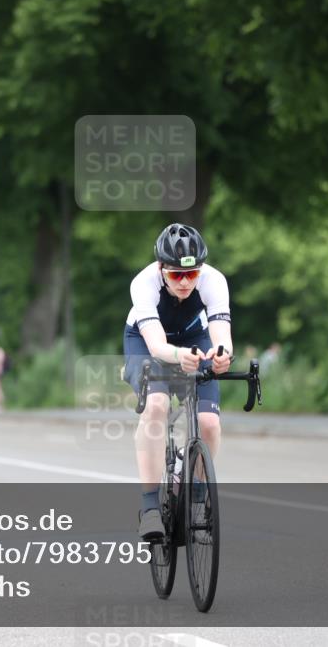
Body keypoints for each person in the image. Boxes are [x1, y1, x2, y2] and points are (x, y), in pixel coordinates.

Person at [123, 223, 233, 540]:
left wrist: (223, 355)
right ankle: (150, 509)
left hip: (193, 336)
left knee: (209, 423)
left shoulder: (214, 280)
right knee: (157, 405)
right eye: (175, 275)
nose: (185, 282)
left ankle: (196, 500)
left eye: (192, 274)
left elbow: (221, 333)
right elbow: (157, 346)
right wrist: (179, 356)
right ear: (161, 269)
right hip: (146, 343)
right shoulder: (143, 283)